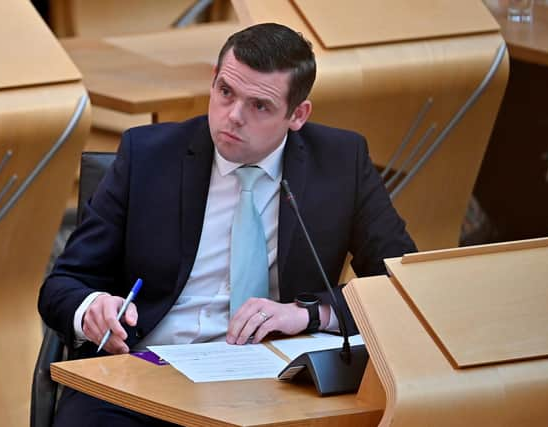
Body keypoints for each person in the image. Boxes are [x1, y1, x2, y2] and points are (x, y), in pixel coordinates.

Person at [38, 22, 416, 427]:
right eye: (225, 93)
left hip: (280, 386)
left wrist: (308, 314)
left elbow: (403, 285)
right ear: (213, 82)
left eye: (260, 106)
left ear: (297, 115)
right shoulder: (146, 156)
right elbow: (63, 283)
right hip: (145, 377)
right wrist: (92, 308)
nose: (233, 116)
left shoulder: (342, 162)